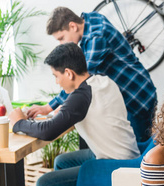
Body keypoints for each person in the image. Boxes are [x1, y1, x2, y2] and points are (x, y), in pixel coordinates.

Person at [9, 42, 140, 186]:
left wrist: (18, 123)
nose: (57, 82)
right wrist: (56, 112)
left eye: (56, 76)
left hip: (115, 167)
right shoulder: (101, 81)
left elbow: (48, 131)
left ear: (69, 73)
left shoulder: (80, 97)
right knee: (61, 161)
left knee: (44, 184)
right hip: (129, 155)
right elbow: (75, 112)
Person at [27, 6, 157, 142]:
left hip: (137, 97)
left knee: (137, 156)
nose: (61, 44)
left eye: (61, 38)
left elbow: (78, 78)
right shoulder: (90, 21)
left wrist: (48, 107)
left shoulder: (97, 37)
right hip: (132, 94)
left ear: (72, 26)